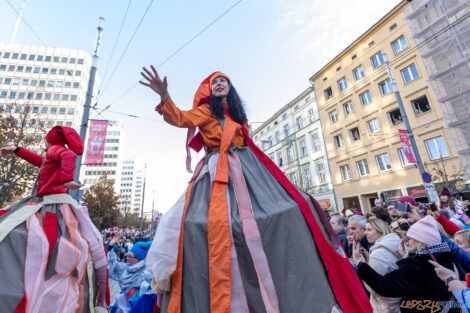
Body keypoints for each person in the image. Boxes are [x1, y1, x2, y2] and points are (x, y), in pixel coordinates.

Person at [140, 68, 371, 313]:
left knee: (296, 204)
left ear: (230, 88)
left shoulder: (238, 115)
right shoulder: (206, 111)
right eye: (214, 82)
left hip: (251, 168)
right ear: (208, 89)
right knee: (199, 222)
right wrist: (165, 96)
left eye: (224, 81)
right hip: (220, 170)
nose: (219, 84)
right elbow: (179, 118)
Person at [0, 126, 109, 313]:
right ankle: (100, 299)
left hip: (51, 203)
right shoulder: (50, 155)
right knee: (96, 245)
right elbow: (39, 161)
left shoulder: (55, 149)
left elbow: (68, 156)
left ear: (50, 139)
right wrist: (17, 150)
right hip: (47, 202)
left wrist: (67, 180)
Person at [355, 216, 465, 313]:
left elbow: (384, 286)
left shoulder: (418, 264)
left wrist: (360, 264)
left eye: (410, 239)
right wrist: (405, 257)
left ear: (421, 241)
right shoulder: (447, 257)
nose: (407, 242)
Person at [353, 218, 401, 313]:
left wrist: (360, 263)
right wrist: (368, 259)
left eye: (369, 230)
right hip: (399, 301)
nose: (365, 233)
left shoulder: (378, 254)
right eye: (365, 229)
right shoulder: (395, 242)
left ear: (380, 231)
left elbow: (375, 287)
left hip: (387, 307)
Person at [108, 234, 153, 313]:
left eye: (130, 256)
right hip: (121, 303)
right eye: (127, 256)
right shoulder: (124, 267)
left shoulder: (146, 273)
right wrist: (111, 247)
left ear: (138, 259)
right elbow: (112, 265)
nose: (127, 258)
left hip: (136, 307)